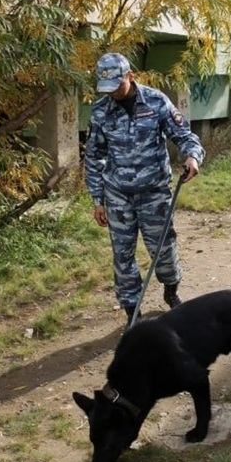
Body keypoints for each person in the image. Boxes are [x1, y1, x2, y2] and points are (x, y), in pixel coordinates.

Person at [84, 53, 205, 322]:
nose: (113, 92)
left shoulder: (156, 101)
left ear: (131, 76)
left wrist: (192, 156)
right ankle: (132, 311)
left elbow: (184, 135)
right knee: (123, 256)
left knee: (163, 250)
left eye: (118, 85)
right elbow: (94, 156)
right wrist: (97, 199)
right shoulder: (101, 111)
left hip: (154, 193)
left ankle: (170, 290)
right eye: (107, 88)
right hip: (117, 195)